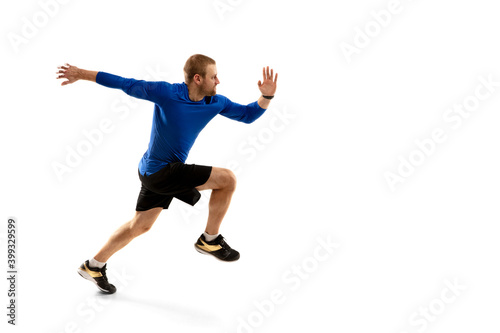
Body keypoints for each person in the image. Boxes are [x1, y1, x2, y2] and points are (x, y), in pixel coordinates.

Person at [56, 54, 278, 294]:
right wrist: (81, 73)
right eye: (214, 77)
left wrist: (266, 96)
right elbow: (125, 83)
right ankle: (210, 240)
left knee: (139, 226)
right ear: (197, 78)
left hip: (155, 172)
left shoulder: (215, 102)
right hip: (160, 172)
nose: (218, 81)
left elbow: (247, 115)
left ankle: (94, 265)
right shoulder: (167, 93)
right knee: (227, 179)